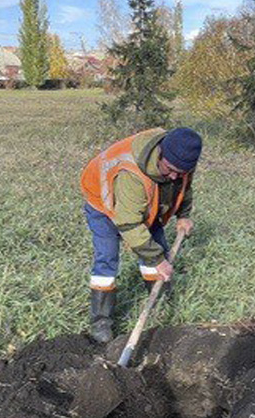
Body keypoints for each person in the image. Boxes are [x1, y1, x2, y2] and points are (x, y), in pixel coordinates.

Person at [79, 127, 202, 343]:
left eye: (180, 172)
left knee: (157, 249)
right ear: (160, 153)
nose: (174, 176)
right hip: (103, 204)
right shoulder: (132, 172)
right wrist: (158, 260)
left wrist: (183, 215)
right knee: (107, 258)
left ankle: (160, 304)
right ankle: (100, 322)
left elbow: (184, 187)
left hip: (141, 201)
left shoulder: (180, 160)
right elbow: (128, 223)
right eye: (170, 169)